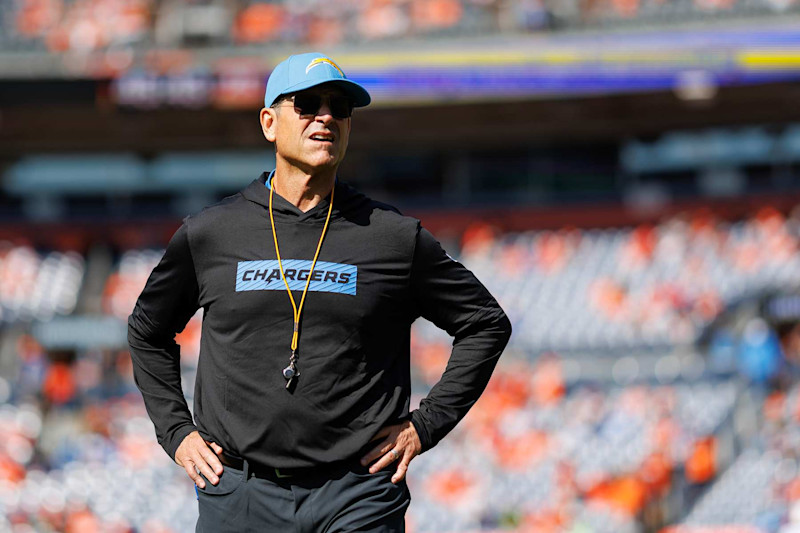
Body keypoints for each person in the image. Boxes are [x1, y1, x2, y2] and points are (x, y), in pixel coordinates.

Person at [128, 52, 511, 533]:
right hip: (241, 492)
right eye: (307, 104)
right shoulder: (210, 234)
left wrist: (425, 424)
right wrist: (176, 431)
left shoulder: (393, 237)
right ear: (269, 122)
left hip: (358, 492)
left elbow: (485, 323)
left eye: (339, 107)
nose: (325, 116)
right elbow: (147, 330)